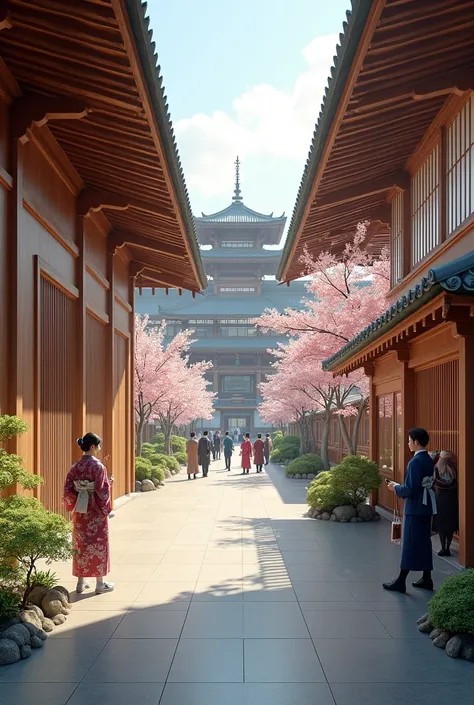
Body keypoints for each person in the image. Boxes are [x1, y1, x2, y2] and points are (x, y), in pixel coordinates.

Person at [383, 428, 436, 593]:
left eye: (409, 440)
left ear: (416, 442)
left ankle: (401, 580)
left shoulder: (415, 462)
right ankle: (427, 578)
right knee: (424, 542)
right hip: (426, 506)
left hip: (415, 507)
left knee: (410, 543)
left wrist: (396, 487)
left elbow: (410, 489)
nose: (407, 443)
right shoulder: (428, 459)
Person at [63, 433, 114, 595]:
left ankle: (80, 582)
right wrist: (109, 485)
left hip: (80, 510)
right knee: (98, 544)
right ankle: (100, 583)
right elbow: (102, 490)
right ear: (92, 446)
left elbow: (68, 489)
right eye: (98, 446)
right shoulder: (98, 467)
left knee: (80, 544)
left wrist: (77, 498)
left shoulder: (75, 467)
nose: (99, 449)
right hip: (95, 512)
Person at [432, 450, 458, 556]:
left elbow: (432, 482)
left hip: (440, 500)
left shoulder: (436, 469)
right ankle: (448, 546)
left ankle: (443, 548)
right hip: (452, 500)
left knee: (441, 525)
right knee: (450, 525)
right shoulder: (454, 470)